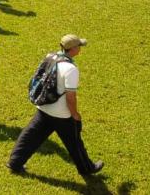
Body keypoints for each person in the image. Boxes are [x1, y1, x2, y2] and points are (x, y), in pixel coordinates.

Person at [8, 34, 103, 176]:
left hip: (44, 106)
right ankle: (87, 168)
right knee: (75, 143)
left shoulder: (50, 56)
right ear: (73, 49)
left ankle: (15, 162)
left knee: (30, 136)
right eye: (79, 46)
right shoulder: (71, 69)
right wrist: (75, 114)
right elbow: (70, 97)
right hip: (62, 114)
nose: (80, 49)